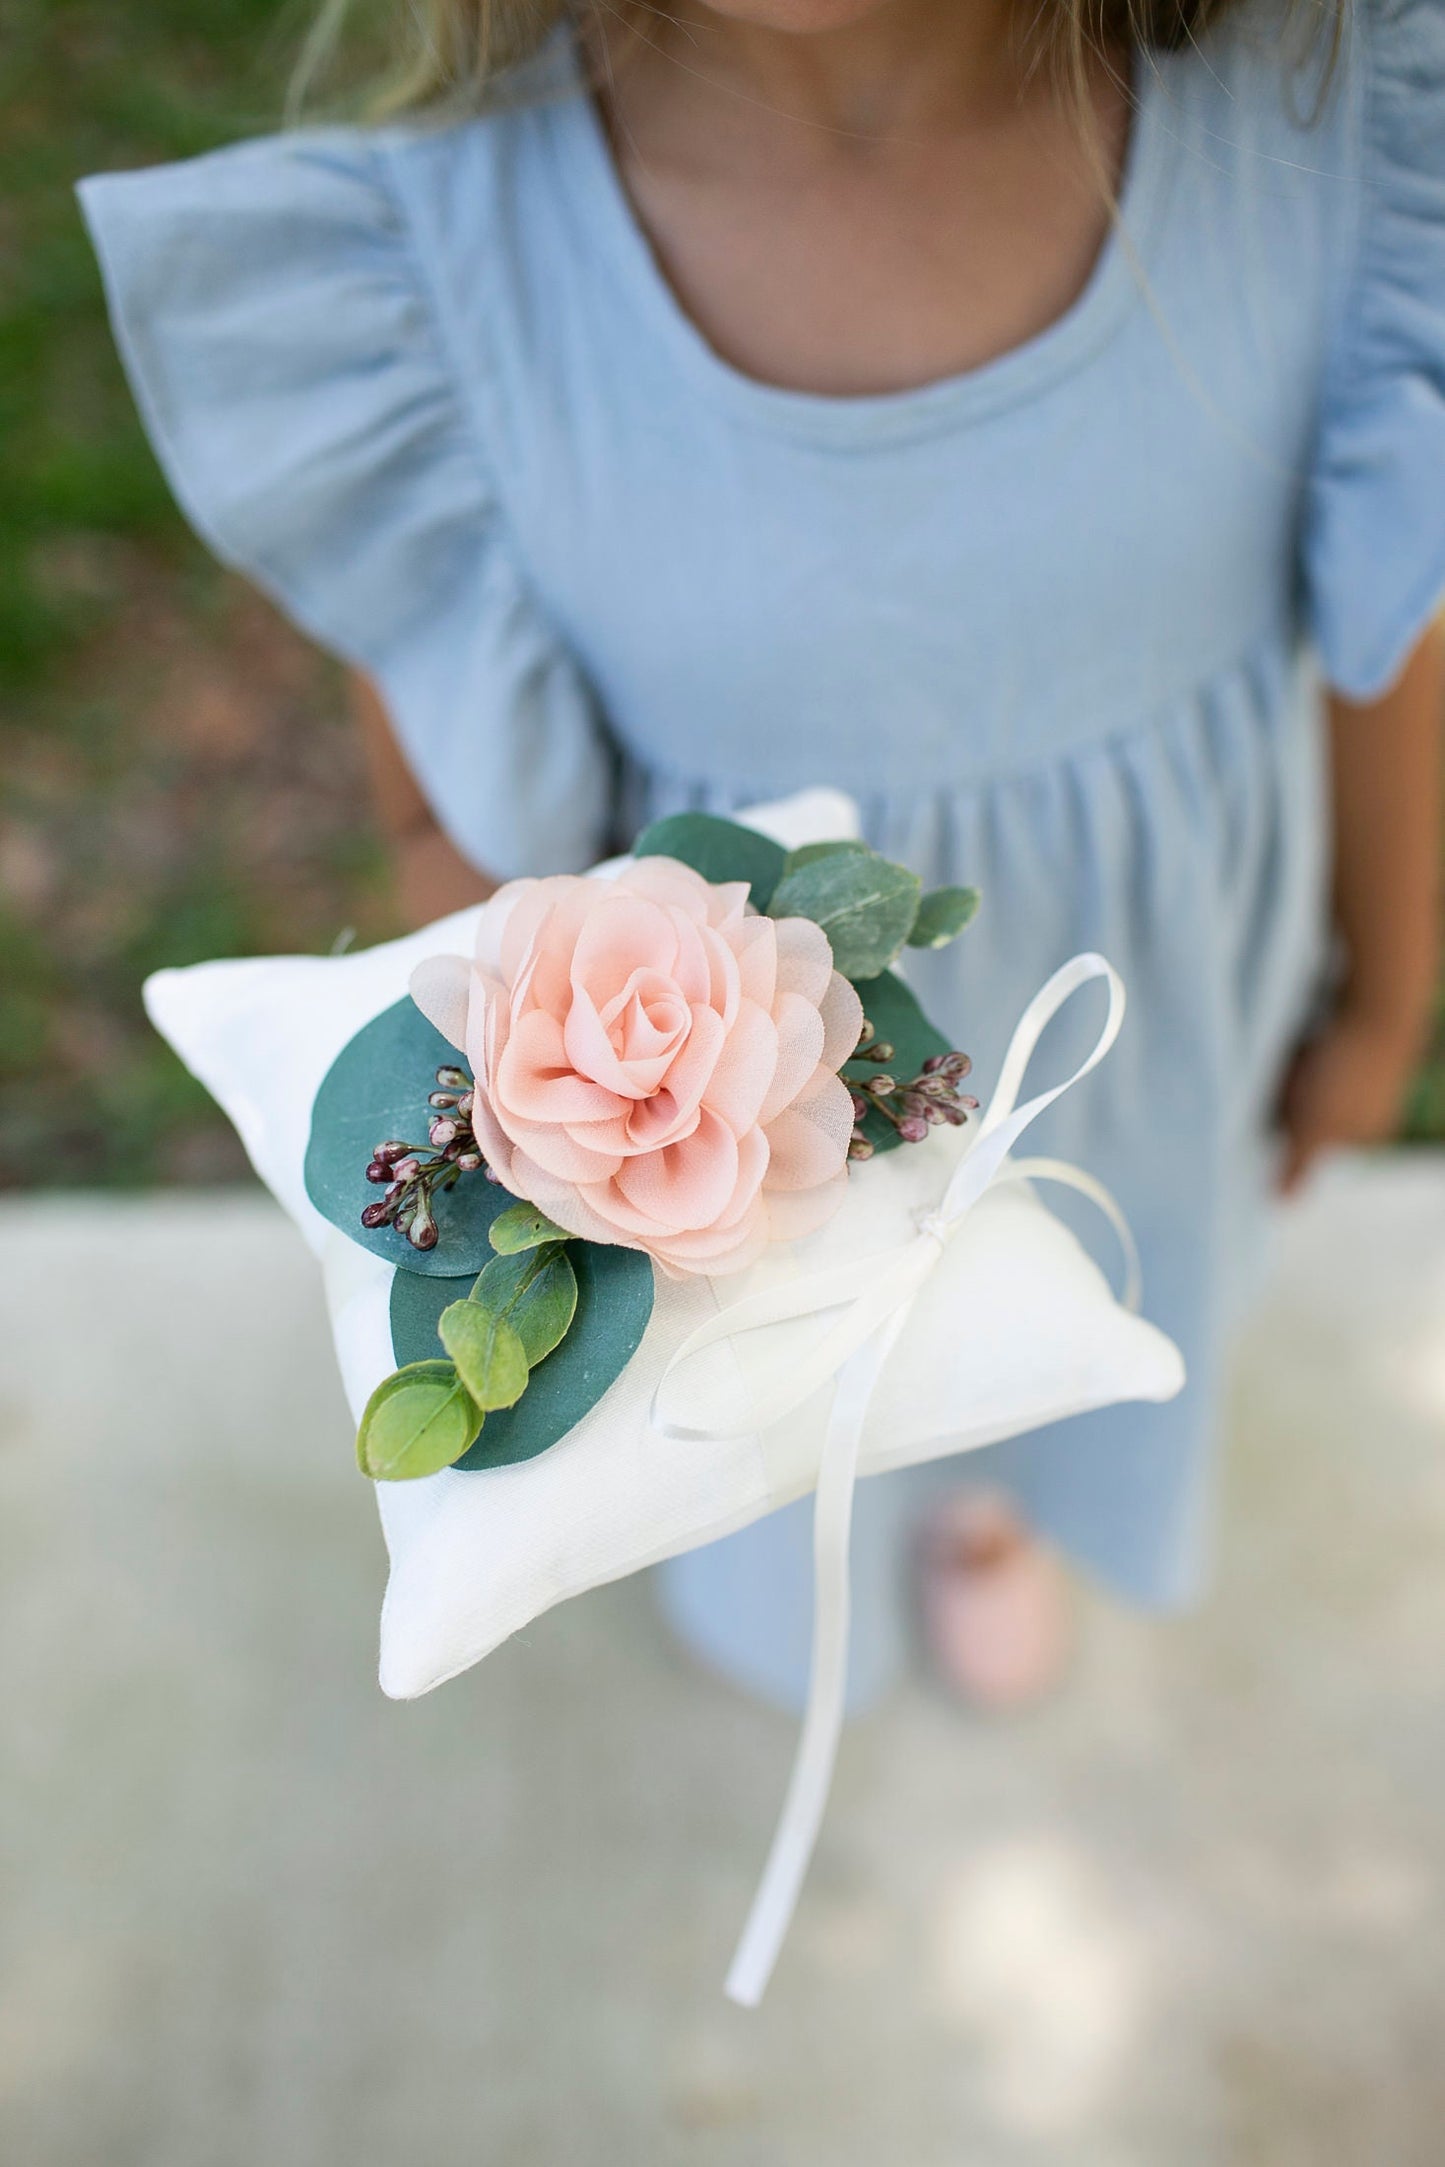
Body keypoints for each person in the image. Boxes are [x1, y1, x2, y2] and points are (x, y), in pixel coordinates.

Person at [80, 0, 1444, 1713]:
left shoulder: (1333, 142)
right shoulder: (427, 279)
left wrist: (1384, 990)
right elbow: (452, 829)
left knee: (1097, 1296)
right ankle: (803, 1554)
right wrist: (592, 1153)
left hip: (1148, 1039)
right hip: (723, 1174)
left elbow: (1384, 623)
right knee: (786, 1420)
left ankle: (988, 1518)